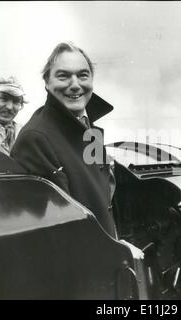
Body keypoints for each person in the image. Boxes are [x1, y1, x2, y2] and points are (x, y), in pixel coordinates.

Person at [11, 42, 143, 259]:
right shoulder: (35, 139)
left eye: (83, 75)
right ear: (47, 82)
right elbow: (54, 233)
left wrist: (116, 242)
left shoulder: (87, 126)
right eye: (63, 76)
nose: (75, 85)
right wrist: (114, 251)